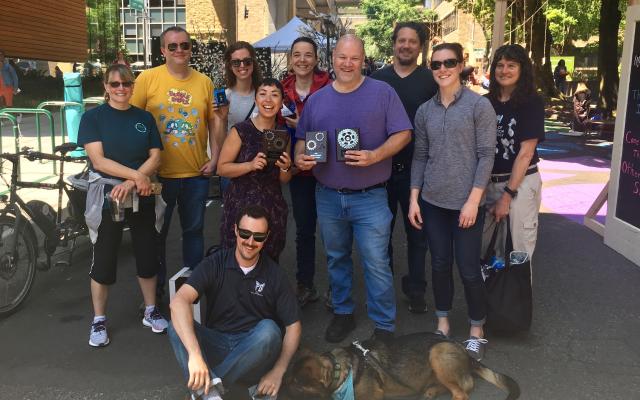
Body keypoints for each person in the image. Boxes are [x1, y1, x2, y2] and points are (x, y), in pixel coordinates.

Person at [295, 35, 412, 343]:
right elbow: (301, 138)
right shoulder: (317, 100)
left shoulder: (382, 93)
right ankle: (343, 313)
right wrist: (300, 157)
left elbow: (403, 134)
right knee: (336, 258)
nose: (347, 63)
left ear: (363, 60)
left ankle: (384, 326)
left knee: (376, 263)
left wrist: (376, 155)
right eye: (342, 57)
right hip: (328, 196)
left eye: (354, 58)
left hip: (371, 196)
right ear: (332, 58)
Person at [408, 42, 496, 361]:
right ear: (431, 69)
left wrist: (474, 201)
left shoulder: (478, 107)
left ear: (461, 66)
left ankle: (476, 329)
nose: (443, 69)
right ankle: (443, 323)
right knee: (440, 264)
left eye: (449, 62)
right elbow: (420, 156)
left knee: (469, 269)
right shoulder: (424, 111)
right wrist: (414, 198)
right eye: (436, 64)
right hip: (432, 201)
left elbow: (487, 156)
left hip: (467, 203)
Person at [168, 205, 301, 400]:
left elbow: (294, 326)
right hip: (218, 343)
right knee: (175, 325)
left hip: (254, 353)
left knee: (269, 331)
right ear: (235, 230)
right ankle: (211, 394)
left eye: (258, 237)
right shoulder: (216, 262)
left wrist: (278, 371)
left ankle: (206, 390)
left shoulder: (275, 274)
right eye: (245, 233)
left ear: (267, 237)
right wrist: (195, 355)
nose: (250, 242)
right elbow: (179, 301)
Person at [130, 26, 224, 300]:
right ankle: (156, 294)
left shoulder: (204, 82)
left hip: (196, 174)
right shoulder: (147, 79)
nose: (180, 50)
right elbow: (132, 121)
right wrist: (139, 170)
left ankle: (191, 292)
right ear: (162, 51)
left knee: (193, 232)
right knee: (156, 235)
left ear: (191, 48)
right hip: (159, 177)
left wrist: (215, 159)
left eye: (185, 45)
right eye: (173, 46)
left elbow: (214, 122)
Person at [78, 64, 167, 347]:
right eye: (114, 84)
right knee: (104, 257)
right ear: (105, 86)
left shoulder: (144, 117)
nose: (120, 89)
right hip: (106, 194)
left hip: (140, 191)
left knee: (147, 252)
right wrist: (137, 175)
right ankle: (99, 319)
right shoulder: (93, 118)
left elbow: (156, 157)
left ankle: (150, 310)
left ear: (132, 87)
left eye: (126, 84)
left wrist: (132, 182)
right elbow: (99, 161)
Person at [371, 21, 437, 314]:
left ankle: (416, 289)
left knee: (417, 235)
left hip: (418, 171)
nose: (406, 45)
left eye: (412, 41)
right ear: (394, 43)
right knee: (381, 234)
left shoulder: (431, 80)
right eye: (401, 40)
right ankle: (382, 289)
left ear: (420, 46)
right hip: (381, 169)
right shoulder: (377, 79)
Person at [217, 78, 293, 261]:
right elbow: (221, 168)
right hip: (240, 205)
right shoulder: (240, 130)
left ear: (282, 102)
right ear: (255, 100)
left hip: (272, 208)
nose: (268, 100)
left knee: (268, 261)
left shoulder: (282, 134)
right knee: (236, 262)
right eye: (263, 94)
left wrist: (285, 167)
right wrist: (249, 165)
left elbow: (284, 179)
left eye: (274, 95)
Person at [483, 44, 545, 266]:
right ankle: (494, 300)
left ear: (522, 69)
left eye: (511, 65)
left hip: (519, 183)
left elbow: (526, 153)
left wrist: (507, 196)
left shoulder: (531, 102)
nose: (504, 70)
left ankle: (517, 300)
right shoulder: (486, 102)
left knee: (517, 252)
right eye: (499, 65)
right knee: (492, 253)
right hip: (490, 183)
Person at [280, 36, 331, 307]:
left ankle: (337, 287)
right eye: (297, 54)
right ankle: (305, 283)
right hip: (298, 173)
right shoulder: (281, 89)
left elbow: (335, 126)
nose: (302, 60)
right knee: (304, 231)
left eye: (308, 55)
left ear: (315, 59)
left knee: (334, 232)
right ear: (290, 59)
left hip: (327, 170)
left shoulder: (329, 87)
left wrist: (304, 125)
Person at [215, 41, 263, 193]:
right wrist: (222, 118)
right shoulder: (225, 97)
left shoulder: (265, 95)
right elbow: (221, 144)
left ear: (253, 63)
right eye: (236, 62)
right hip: (233, 167)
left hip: (261, 166)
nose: (242, 66)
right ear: (229, 66)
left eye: (247, 61)